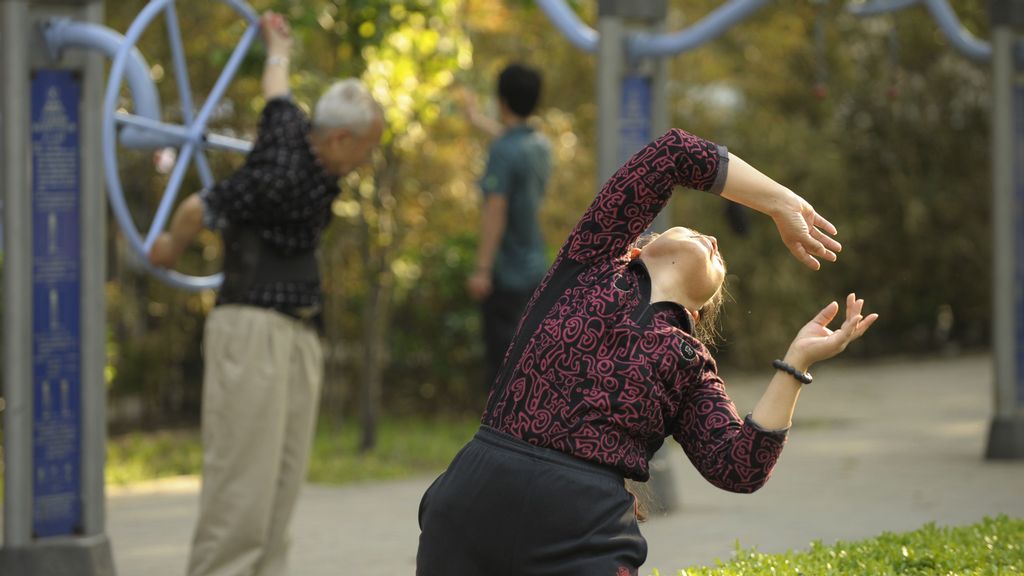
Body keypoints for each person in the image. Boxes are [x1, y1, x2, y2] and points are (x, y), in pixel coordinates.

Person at [416, 128, 877, 575]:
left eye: (720, 258)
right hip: (477, 498)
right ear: (639, 249)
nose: (713, 240)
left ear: (700, 312)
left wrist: (796, 364)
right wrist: (780, 201)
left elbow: (740, 465)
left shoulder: (691, 364)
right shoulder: (589, 264)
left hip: (582, 532)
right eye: (693, 229)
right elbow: (672, 154)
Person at [147, 12, 383, 576]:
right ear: (342, 138)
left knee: (279, 488)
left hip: (297, 331)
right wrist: (165, 250)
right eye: (366, 150)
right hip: (253, 331)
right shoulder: (284, 174)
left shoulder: (289, 126)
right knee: (242, 496)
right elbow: (198, 208)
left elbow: (276, 93)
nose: (366, 162)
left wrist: (276, 45)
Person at [462, 63, 552, 392]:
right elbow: (510, 144)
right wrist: (476, 120)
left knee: (501, 370)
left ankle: (499, 441)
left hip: (505, 274)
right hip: (535, 269)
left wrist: (482, 269)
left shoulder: (503, 150)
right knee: (529, 364)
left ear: (501, 100)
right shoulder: (540, 145)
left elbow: (495, 209)